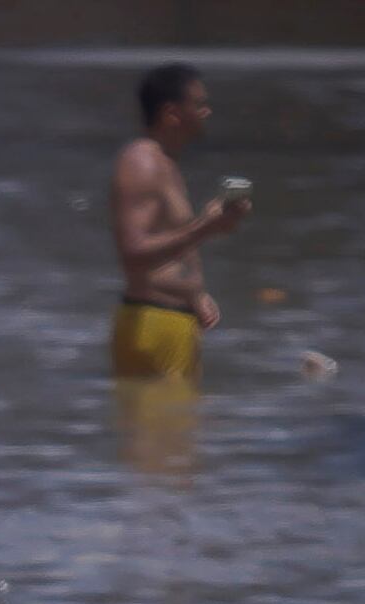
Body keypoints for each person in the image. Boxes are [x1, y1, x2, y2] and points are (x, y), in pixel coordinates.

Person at [110, 62, 250, 382]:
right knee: (157, 430)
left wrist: (193, 294)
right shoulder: (142, 162)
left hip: (172, 322)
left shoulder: (164, 164)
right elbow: (133, 252)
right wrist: (206, 227)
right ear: (172, 114)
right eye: (199, 105)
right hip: (153, 324)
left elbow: (168, 247)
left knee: (180, 431)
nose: (207, 112)